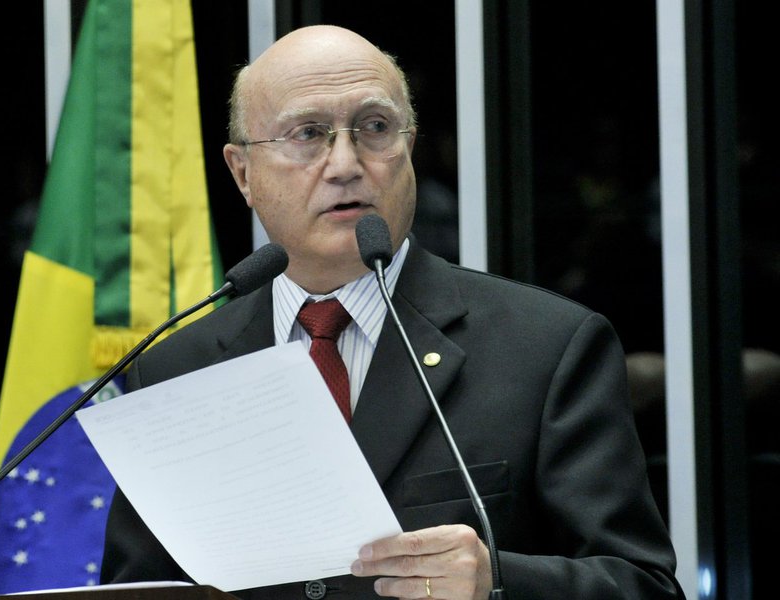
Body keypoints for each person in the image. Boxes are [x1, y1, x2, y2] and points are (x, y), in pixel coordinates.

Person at [101, 25, 684, 600]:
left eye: (375, 128)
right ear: (243, 173)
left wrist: (499, 580)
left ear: (409, 149)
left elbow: (644, 585)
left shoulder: (547, 348)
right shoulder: (176, 369)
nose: (346, 164)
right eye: (308, 133)